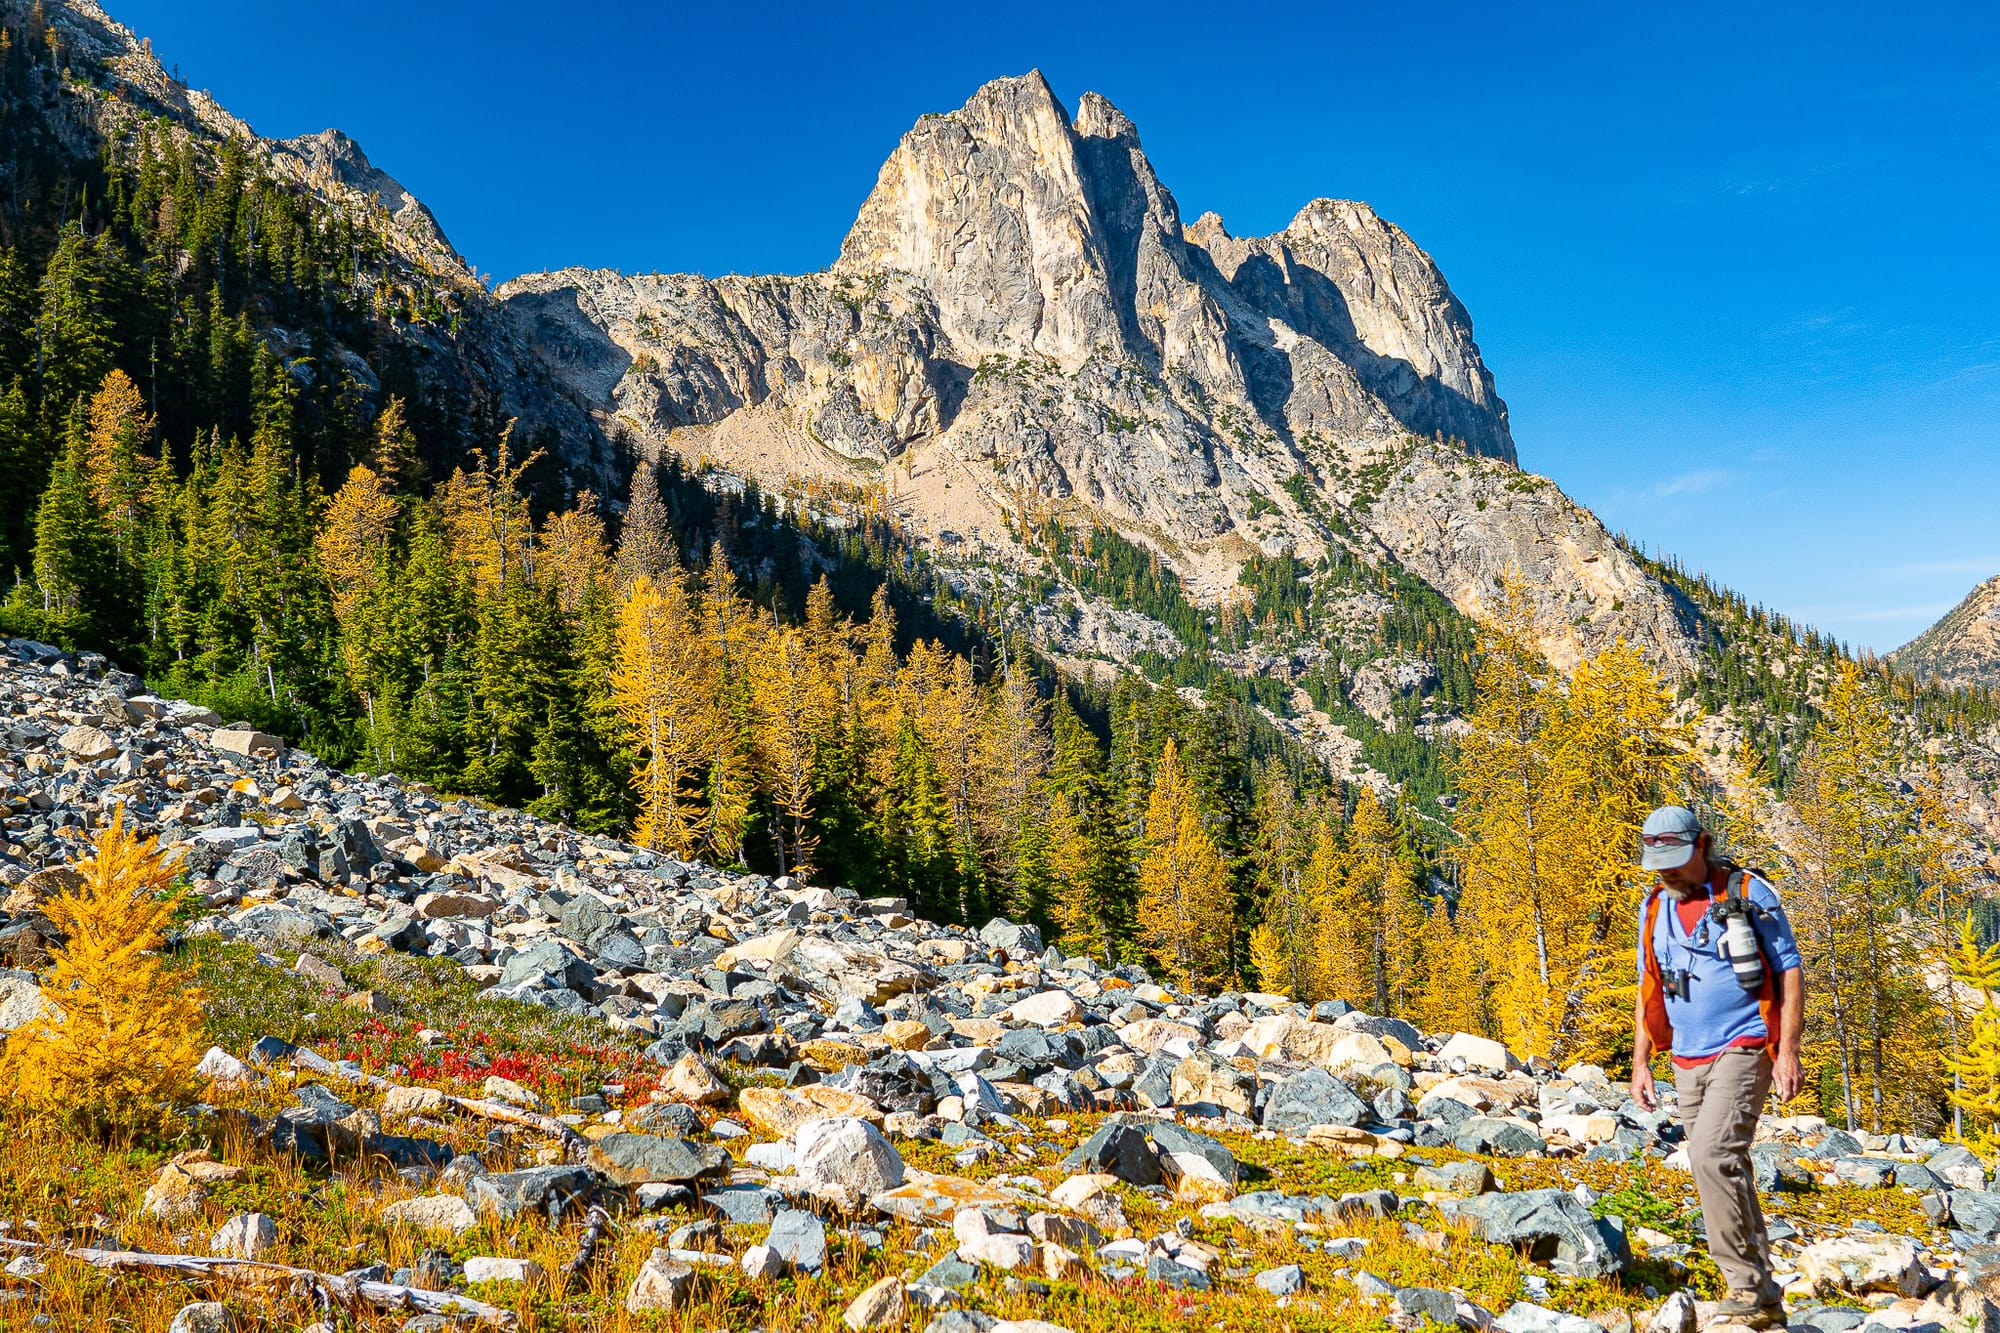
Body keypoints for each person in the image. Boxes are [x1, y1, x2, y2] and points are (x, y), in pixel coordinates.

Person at [1631, 804, 1805, 1330]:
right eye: (1660, 863)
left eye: (1679, 861)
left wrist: (1788, 1050)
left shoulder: (1749, 894)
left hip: (1745, 1044)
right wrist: (1641, 1061)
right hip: (1686, 1054)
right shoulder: (1654, 906)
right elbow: (1650, 988)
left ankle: (1745, 1287)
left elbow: (1790, 974)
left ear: (1702, 846)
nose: (1668, 872)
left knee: (1710, 1155)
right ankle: (1765, 1291)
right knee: (1727, 1165)